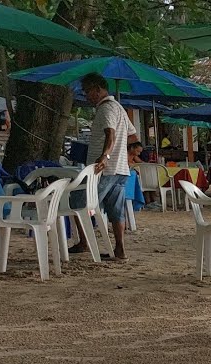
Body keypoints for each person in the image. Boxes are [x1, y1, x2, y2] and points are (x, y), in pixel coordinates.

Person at [79, 73, 132, 260]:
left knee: (80, 203)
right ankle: (120, 249)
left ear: (97, 89)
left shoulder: (105, 108)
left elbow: (110, 133)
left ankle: (84, 242)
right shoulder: (119, 108)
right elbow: (131, 133)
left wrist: (105, 156)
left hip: (105, 170)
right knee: (116, 211)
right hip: (120, 168)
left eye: (87, 91)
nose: (86, 96)